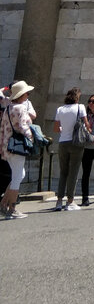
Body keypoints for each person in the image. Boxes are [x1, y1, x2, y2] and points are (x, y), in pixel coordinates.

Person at [1, 80, 37, 219]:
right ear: (21, 95)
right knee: (17, 177)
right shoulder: (21, 108)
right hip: (17, 147)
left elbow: (2, 129)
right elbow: (23, 127)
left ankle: (3, 203)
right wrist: (31, 138)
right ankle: (12, 209)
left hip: (7, 146)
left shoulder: (8, 108)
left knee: (19, 174)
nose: (28, 94)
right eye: (26, 93)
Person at [53, 87, 89, 210]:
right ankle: (70, 201)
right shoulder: (80, 107)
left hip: (63, 142)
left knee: (63, 172)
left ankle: (59, 201)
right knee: (73, 172)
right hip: (76, 143)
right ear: (77, 97)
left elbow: (56, 129)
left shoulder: (60, 109)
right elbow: (86, 124)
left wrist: (64, 129)